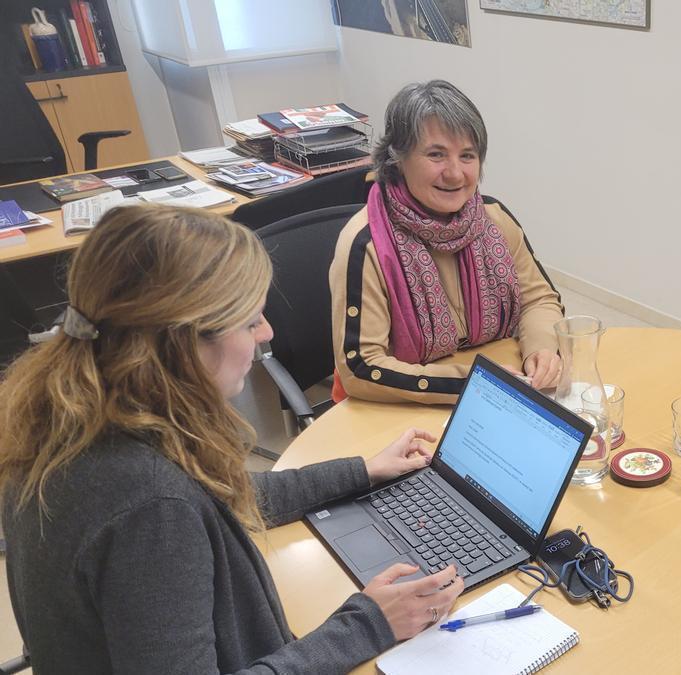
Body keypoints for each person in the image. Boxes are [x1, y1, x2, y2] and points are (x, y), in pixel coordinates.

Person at [0, 205, 464, 674]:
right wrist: (370, 624)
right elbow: (177, 510)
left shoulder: (70, 415)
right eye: (249, 321)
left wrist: (363, 470)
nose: (267, 333)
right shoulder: (151, 508)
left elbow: (219, 496)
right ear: (181, 342)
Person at [330, 80, 564, 404]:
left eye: (467, 155)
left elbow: (538, 300)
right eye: (436, 155)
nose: (455, 173)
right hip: (397, 407)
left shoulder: (493, 219)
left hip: (493, 393)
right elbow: (362, 367)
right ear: (397, 158)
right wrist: (469, 383)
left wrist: (541, 350)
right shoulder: (365, 245)